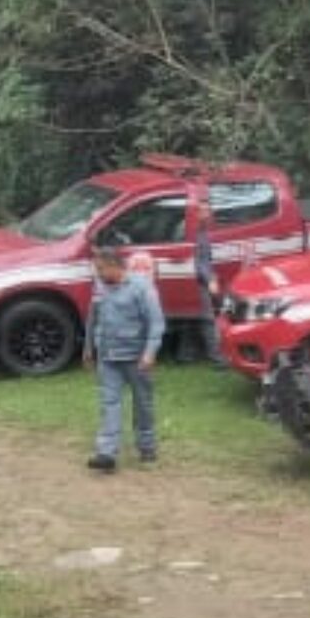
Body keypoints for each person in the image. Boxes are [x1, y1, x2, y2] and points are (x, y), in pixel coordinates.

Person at [83, 247, 165, 472]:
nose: (97, 273)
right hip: (108, 357)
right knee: (108, 404)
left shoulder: (141, 287)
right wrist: (88, 347)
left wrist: (150, 353)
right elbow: (93, 317)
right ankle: (106, 454)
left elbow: (156, 323)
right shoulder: (99, 286)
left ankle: (147, 448)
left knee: (142, 405)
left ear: (115, 266)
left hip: (137, 359)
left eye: (100, 269)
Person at [174, 178, 228, 367]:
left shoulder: (200, 228)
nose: (208, 213)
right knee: (206, 317)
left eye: (208, 209)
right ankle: (218, 358)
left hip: (191, 274)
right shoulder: (192, 231)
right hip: (194, 277)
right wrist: (210, 279)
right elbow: (199, 259)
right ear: (194, 211)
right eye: (203, 210)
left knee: (193, 315)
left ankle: (185, 354)